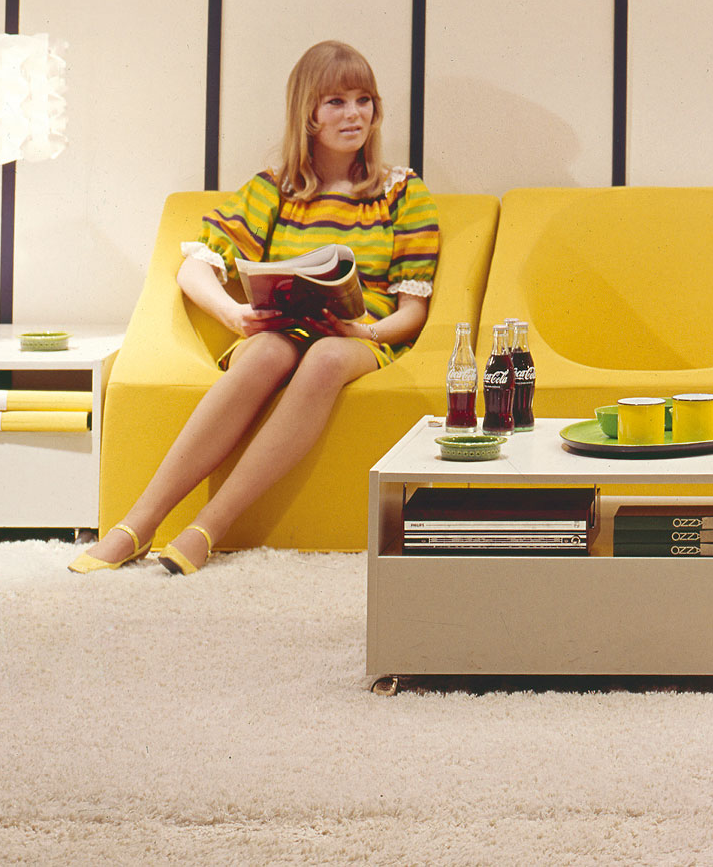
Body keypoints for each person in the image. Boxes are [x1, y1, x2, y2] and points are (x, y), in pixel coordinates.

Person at [70, 40, 440, 575]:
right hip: (282, 331)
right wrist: (234, 315)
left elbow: (413, 311)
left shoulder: (401, 192)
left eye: (364, 100)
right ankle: (139, 523)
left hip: (359, 339)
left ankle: (207, 528)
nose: (354, 114)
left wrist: (364, 333)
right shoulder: (276, 190)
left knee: (326, 358)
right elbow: (194, 268)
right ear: (308, 114)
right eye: (336, 102)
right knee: (267, 351)